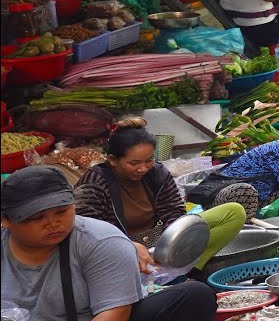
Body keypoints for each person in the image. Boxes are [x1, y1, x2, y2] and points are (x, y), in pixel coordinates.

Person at [2, 166, 216, 321]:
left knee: (194, 298)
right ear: (6, 220)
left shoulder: (99, 241)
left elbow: (115, 312)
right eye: (36, 218)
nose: (52, 223)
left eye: (62, 211)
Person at [74, 118, 248, 276]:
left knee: (233, 212)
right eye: (134, 163)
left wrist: (175, 243)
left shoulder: (157, 173)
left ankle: (188, 271)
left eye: (148, 160)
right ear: (113, 160)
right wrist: (128, 246)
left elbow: (174, 212)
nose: (143, 168)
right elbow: (87, 232)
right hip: (118, 252)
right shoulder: (94, 183)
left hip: (161, 246)